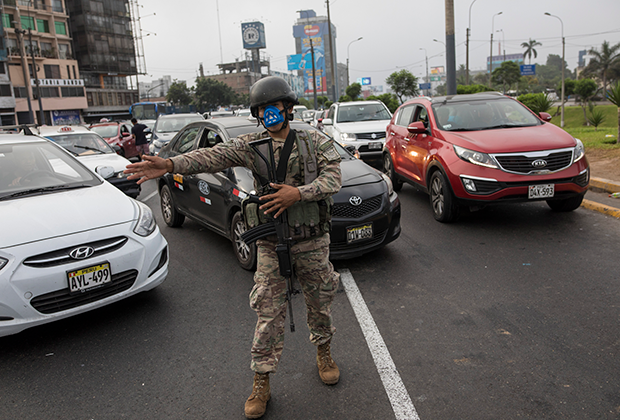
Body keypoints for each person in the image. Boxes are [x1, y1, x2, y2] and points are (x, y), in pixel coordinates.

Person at [124, 76, 342, 419]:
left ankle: (324, 352)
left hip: (312, 239)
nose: (270, 114)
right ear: (257, 114)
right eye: (263, 109)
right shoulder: (250, 144)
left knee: (321, 301)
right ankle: (261, 381)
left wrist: (297, 193)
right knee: (268, 312)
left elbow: (333, 178)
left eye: (275, 107)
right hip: (272, 240)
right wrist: (168, 164)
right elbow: (210, 157)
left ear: (287, 108)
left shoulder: (312, 140)